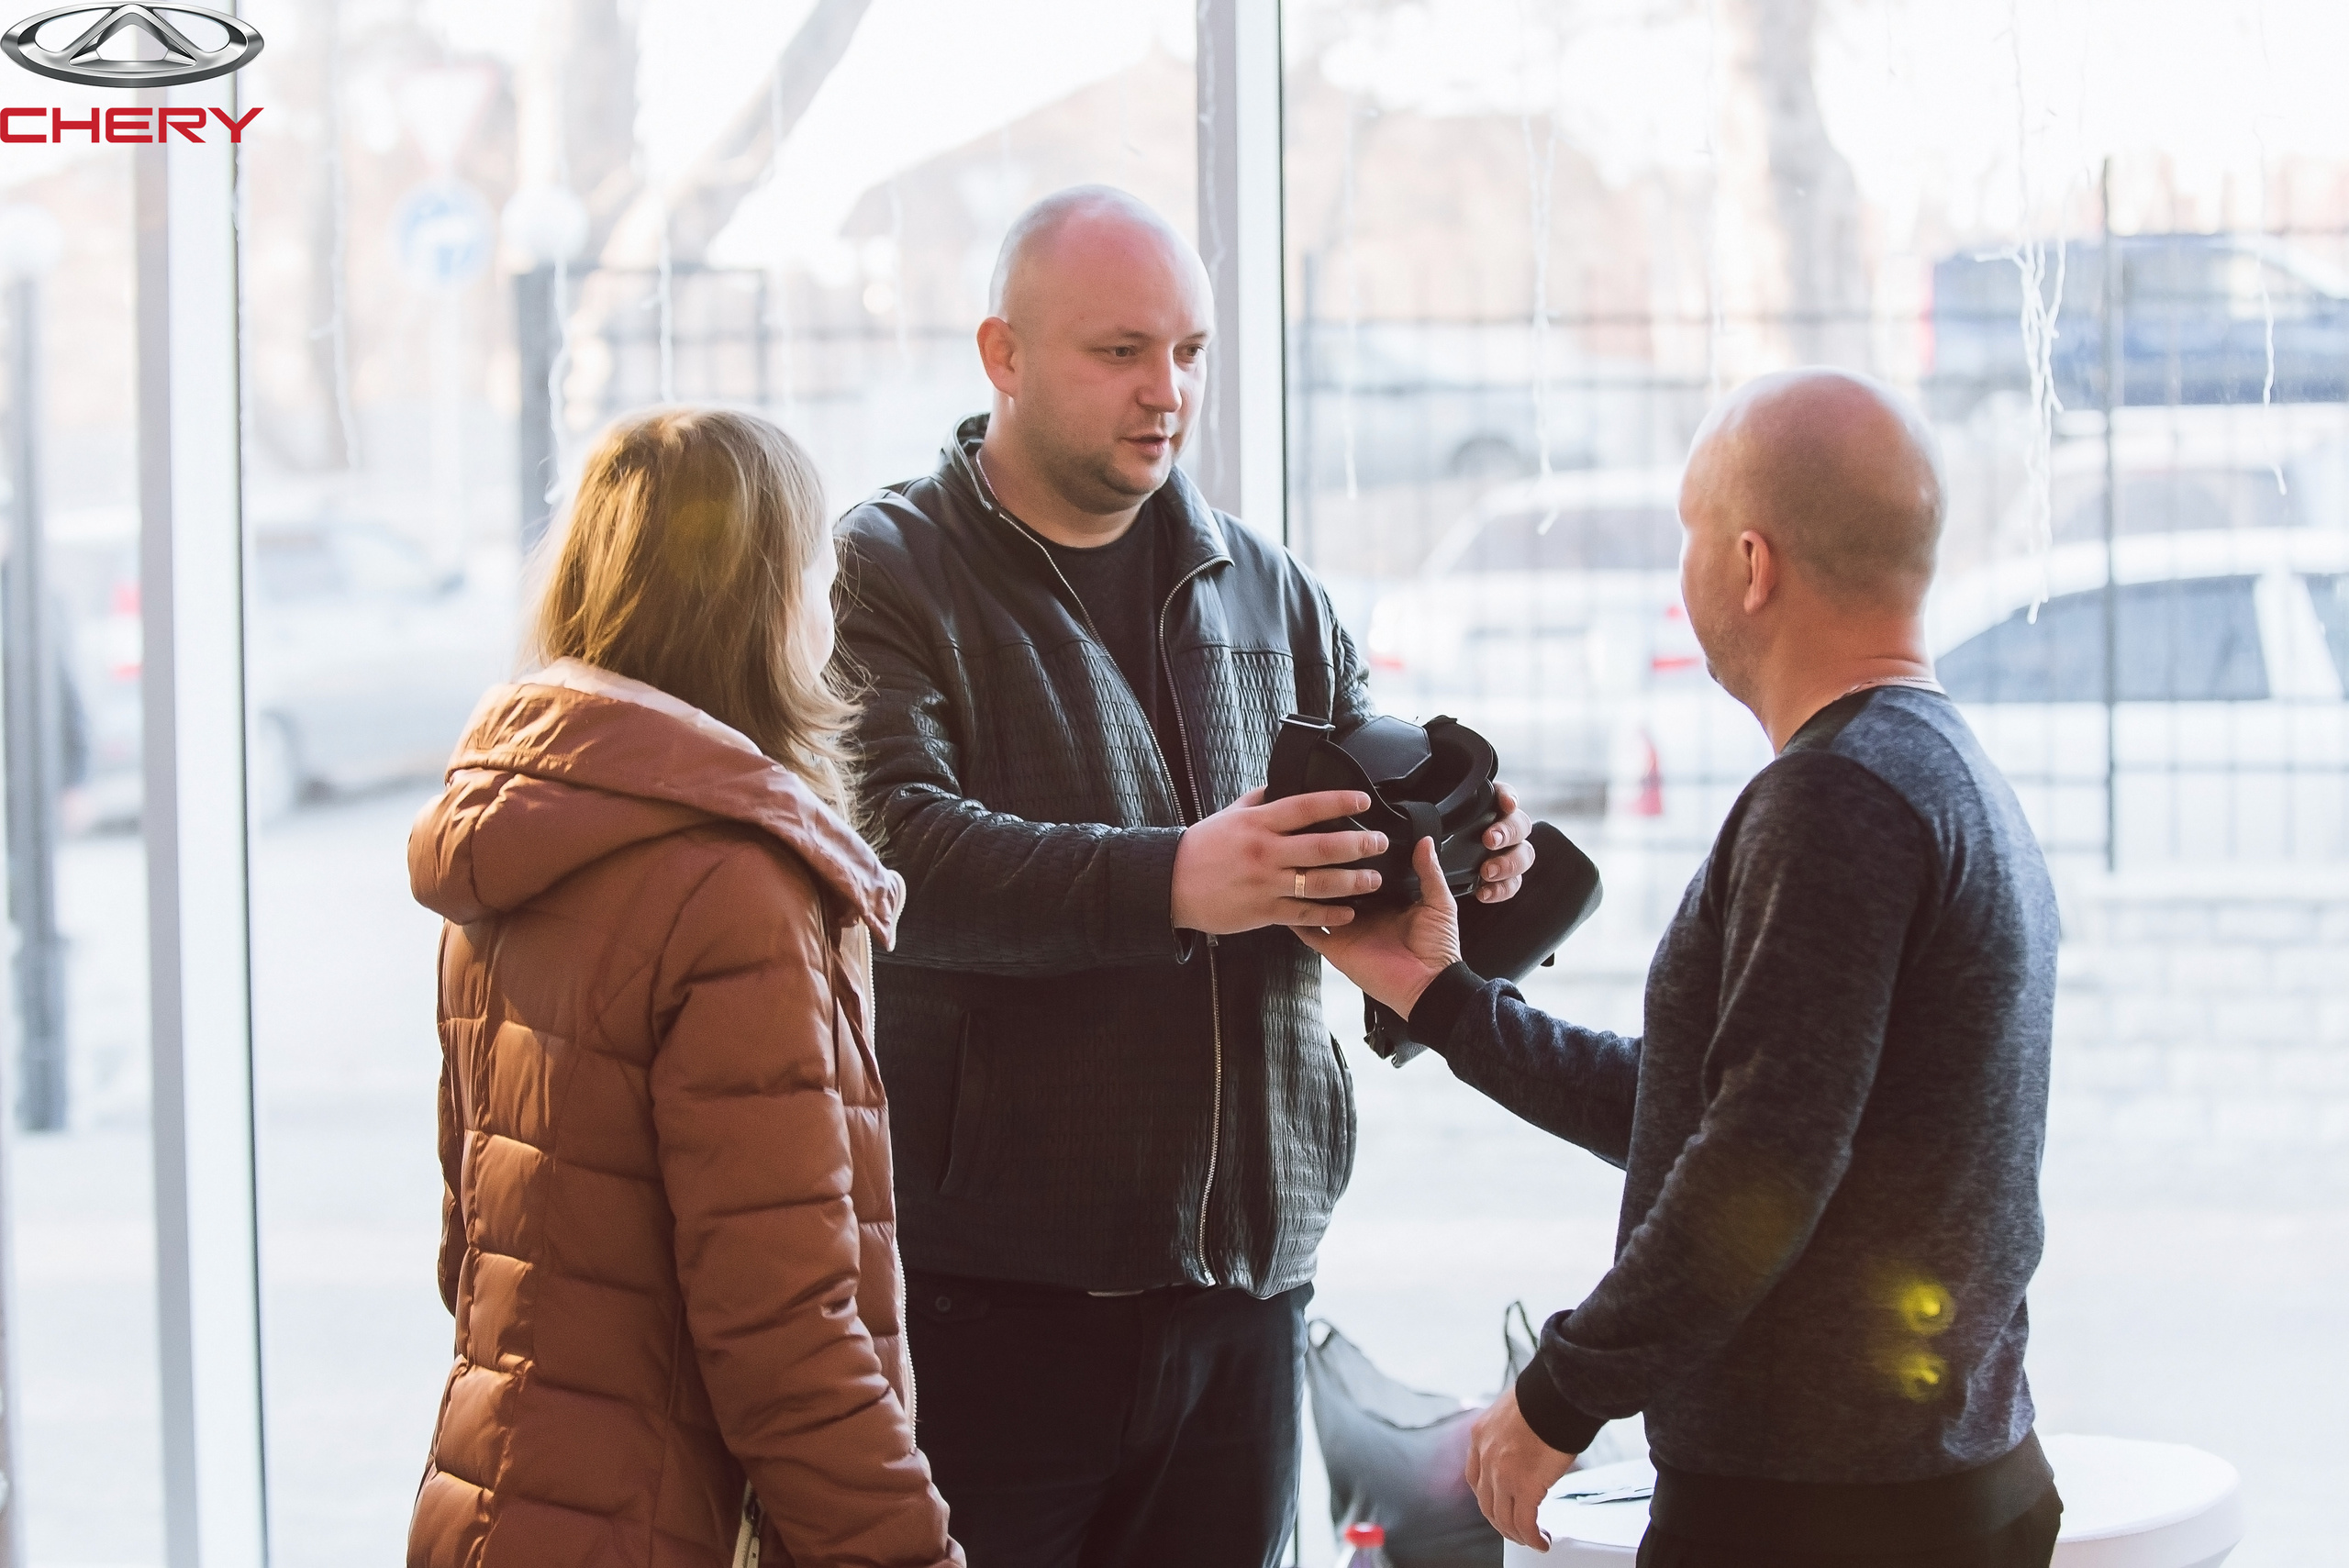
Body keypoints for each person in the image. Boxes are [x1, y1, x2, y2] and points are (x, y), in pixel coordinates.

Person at [831, 184, 1536, 1566]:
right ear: (1002, 354)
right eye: (1120, 352)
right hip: (990, 1299)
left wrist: (1456, 866)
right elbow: (894, 851)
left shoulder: (1273, 590)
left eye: (1191, 352)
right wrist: (1174, 878)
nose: (1168, 392)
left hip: (1246, 1295)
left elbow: (1353, 873)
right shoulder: (891, 566)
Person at [1305, 369, 2065, 1568]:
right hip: (1930, 1487)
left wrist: (1560, 1391)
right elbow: (1704, 1112)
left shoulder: (1835, 800)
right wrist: (1442, 999)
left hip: (1820, 1520)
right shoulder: (1940, 774)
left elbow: (1758, 1163)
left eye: (1689, 534)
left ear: (1750, 563)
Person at [406, 408, 961, 1568]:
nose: (829, 610)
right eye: (816, 573)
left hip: (505, 1491)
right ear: (759, 602)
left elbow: (473, 1247)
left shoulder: (520, 833)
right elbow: (786, 1335)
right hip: (657, 1520)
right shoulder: (729, 889)